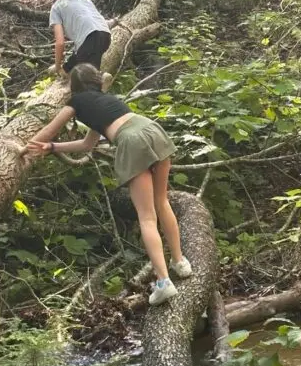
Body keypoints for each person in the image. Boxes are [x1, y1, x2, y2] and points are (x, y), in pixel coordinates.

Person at [22, 63, 192, 306]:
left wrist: (23, 148)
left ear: (74, 86)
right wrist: (52, 148)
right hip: (152, 129)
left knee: (146, 217)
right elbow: (87, 145)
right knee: (161, 201)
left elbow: (49, 129)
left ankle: (164, 282)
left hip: (131, 140)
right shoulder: (107, 101)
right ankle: (180, 262)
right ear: (98, 82)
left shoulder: (76, 102)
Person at [48, 0, 112, 78]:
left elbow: (60, 43)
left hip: (89, 39)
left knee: (82, 78)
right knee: (72, 66)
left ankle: (100, 78)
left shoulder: (56, 7)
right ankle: (68, 70)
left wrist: (57, 65)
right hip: (105, 34)